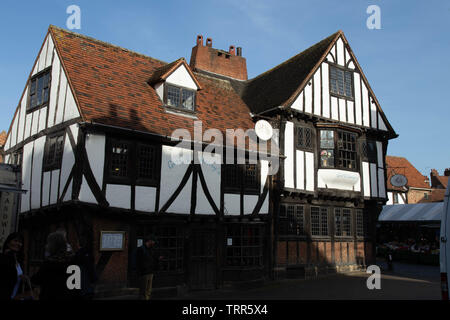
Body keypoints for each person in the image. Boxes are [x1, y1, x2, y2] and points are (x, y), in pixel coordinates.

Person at [31, 232, 80, 300]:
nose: (46, 245)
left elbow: (36, 280)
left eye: (48, 243)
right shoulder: (73, 261)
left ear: (53, 245)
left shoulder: (49, 263)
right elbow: (77, 286)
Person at [0, 233, 26, 300]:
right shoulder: (3, 257)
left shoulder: (19, 259)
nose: (18, 243)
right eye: (15, 240)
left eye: (20, 242)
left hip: (16, 295)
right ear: (8, 243)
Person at [136, 235, 161, 300]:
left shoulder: (151, 249)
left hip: (150, 271)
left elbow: (152, 258)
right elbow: (139, 261)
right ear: (149, 241)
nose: (154, 243)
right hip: (144, 273)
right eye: (153, 241)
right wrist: (143, 269)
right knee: (143, 290)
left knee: (148, 290)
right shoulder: (141, 249)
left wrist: (157, 259)